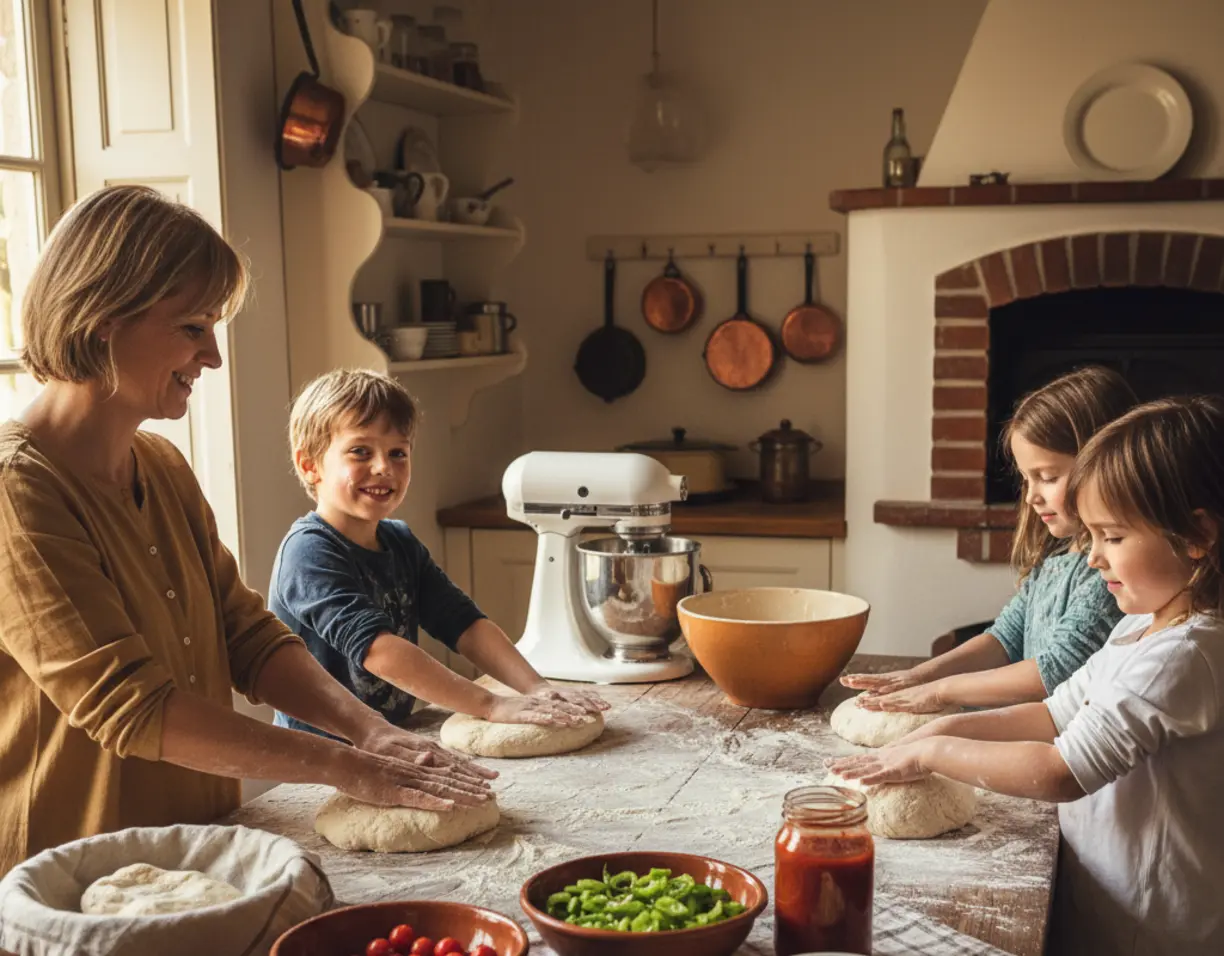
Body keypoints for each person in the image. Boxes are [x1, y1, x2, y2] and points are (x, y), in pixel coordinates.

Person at [0, 186, 494, 876]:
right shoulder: (18, 490)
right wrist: (343, 765)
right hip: (74, 879)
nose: (213, 357)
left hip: (198, 850)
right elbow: (130, 708)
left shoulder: (160, 464)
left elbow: (248, 637)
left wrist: (372, 731)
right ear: (106, 318)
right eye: (192, 327)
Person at [830, 394, 1224, 956]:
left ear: (1196, 536)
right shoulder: (1142, 625)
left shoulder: (1186, 656)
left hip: (1154, 927)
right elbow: (1050, 715)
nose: (1093, 558)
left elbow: (1059, 771)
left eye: (1112, 537)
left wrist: (929, 756)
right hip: (1106, 906)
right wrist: (934, 732)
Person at [268, 369, 608, 738]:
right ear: (309, 465)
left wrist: (536, 687)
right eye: (360, 451)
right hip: (322, 757)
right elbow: (377, 651)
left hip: (388, 741)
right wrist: (491, 704)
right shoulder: (309, 552)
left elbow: (462, 623)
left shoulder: (399, 543)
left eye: (398, 452)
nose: (384, 468)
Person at [842, 366, 1135, 712]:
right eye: (1027, 480)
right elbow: (1006, 637)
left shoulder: (1109, 574)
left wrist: (941, 691)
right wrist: (920, 675)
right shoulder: (1058, 554)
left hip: (1063, 748)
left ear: (1102, 467)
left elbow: (1053, 671)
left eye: (1047, 477)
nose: (1031, 497)